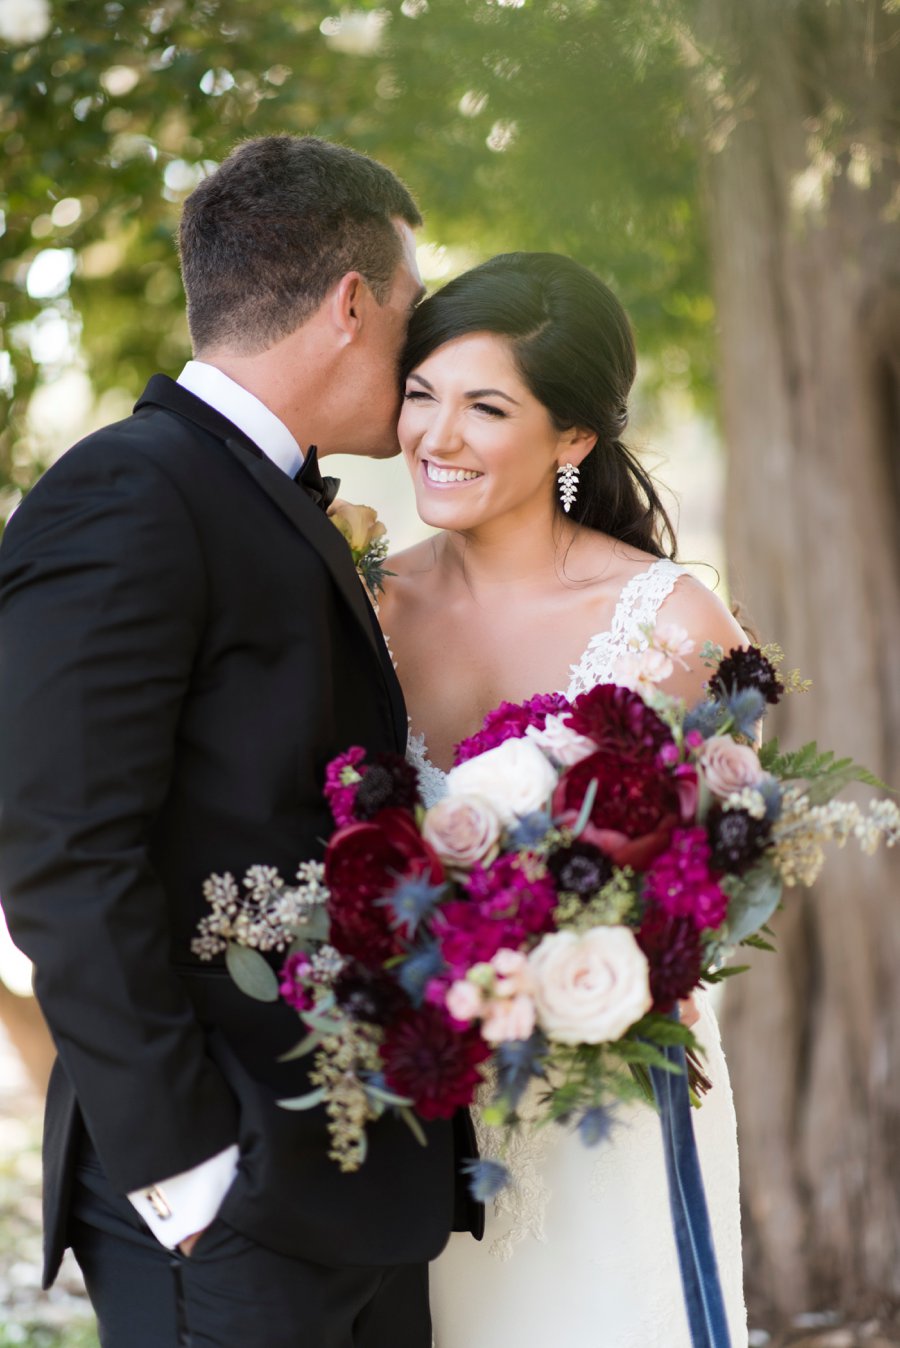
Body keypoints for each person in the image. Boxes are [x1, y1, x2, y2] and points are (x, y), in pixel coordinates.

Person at [0, 134, 479, 1348]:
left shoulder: (258, 487)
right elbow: (59, 844)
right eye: (413, 310)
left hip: (349, 1173)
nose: (421, 353)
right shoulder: (131, 490)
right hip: (224, 1190)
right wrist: (189, 1170)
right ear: (352, 303)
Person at [377, 251, 750, 1347]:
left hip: (614, 1095)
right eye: (420, 392)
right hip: (417, 1101)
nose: (435, 436)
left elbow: (731, 863)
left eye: (485, 405)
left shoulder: (672, 621)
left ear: (574, 436)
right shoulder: (362, 602)